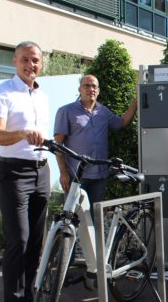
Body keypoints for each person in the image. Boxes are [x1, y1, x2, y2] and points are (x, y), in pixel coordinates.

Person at [0, 41, 50, 302]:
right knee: (19, 241)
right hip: (13, 173)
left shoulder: (42, 95)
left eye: (36, 60)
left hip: (41, 172)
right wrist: (22, 133)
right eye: (25, 59)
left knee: (36, 243)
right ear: (15, 61)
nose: (31, 65)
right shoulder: (2, 92)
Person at [53, 74, 137, 218]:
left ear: (98, 91)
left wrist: (136, 100)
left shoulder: (103, 112)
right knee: (73, 219)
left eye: (94, 86)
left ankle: (95, 242)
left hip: (99, 176)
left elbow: (122, 122)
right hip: (77, 177)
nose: (90, 89)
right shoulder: (66, 111)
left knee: (95, 218)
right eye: (87, 85)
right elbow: (58, 144)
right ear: (79, 89)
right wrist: (63, 173)